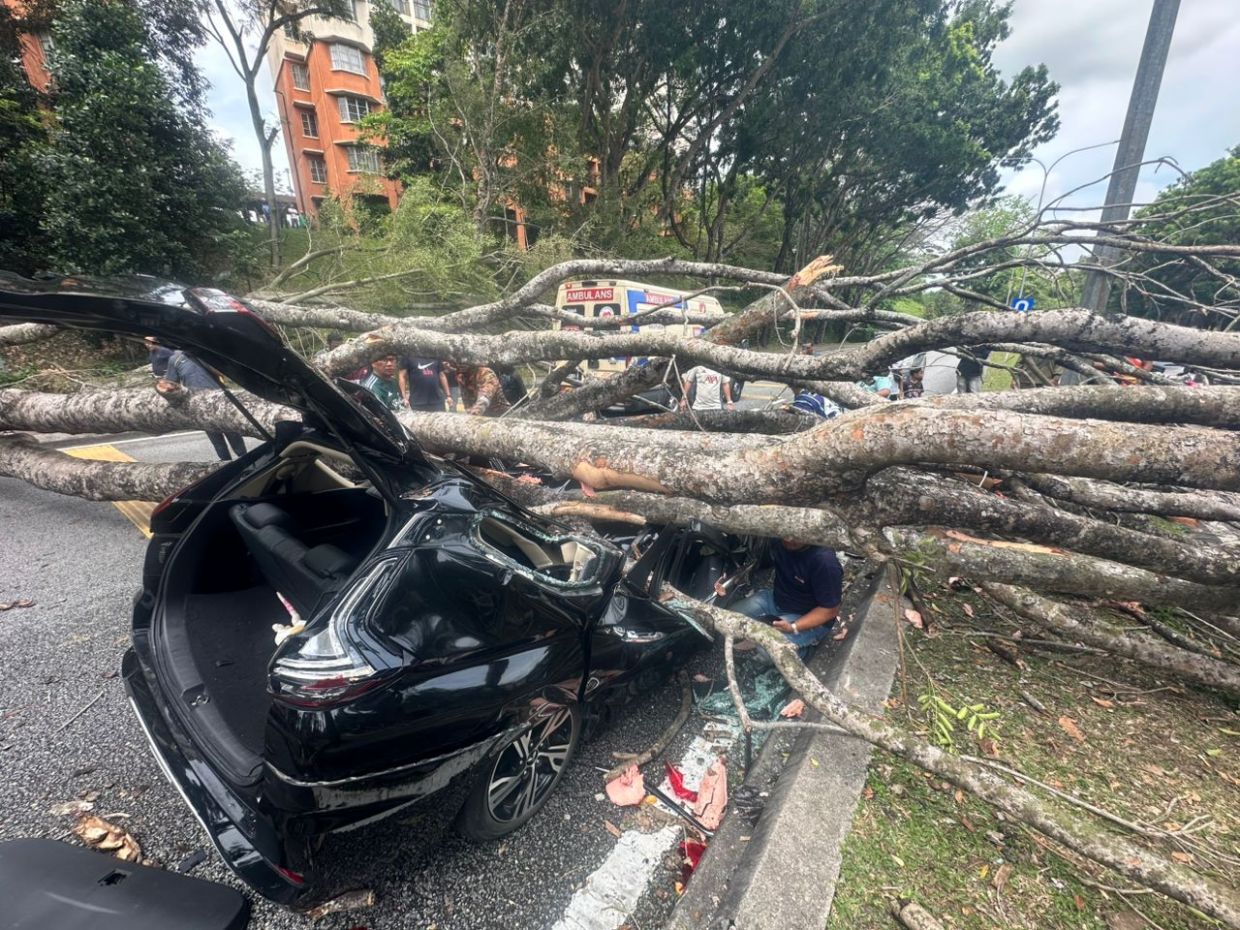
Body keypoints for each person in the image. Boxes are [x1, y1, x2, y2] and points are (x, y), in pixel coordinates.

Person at [730, 539, 843, 659]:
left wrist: (794, 627)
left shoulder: (824, 562)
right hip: (777, 600)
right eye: (786, 535)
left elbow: (830, 610)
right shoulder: (779, 541)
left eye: (795, 536)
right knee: (731, 616)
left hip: (807, 615)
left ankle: (805, 652)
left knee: (767, 647)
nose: (789, 539)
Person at [158, 350, 247, 461]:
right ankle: (226, 464)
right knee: (217, 440)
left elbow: (222, 373)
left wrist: (203, 356)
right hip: (198, 405)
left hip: (218, 400)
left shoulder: (203, 352)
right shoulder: (175, 360)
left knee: (233, 434)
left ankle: (246, 460)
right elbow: (171, 384)